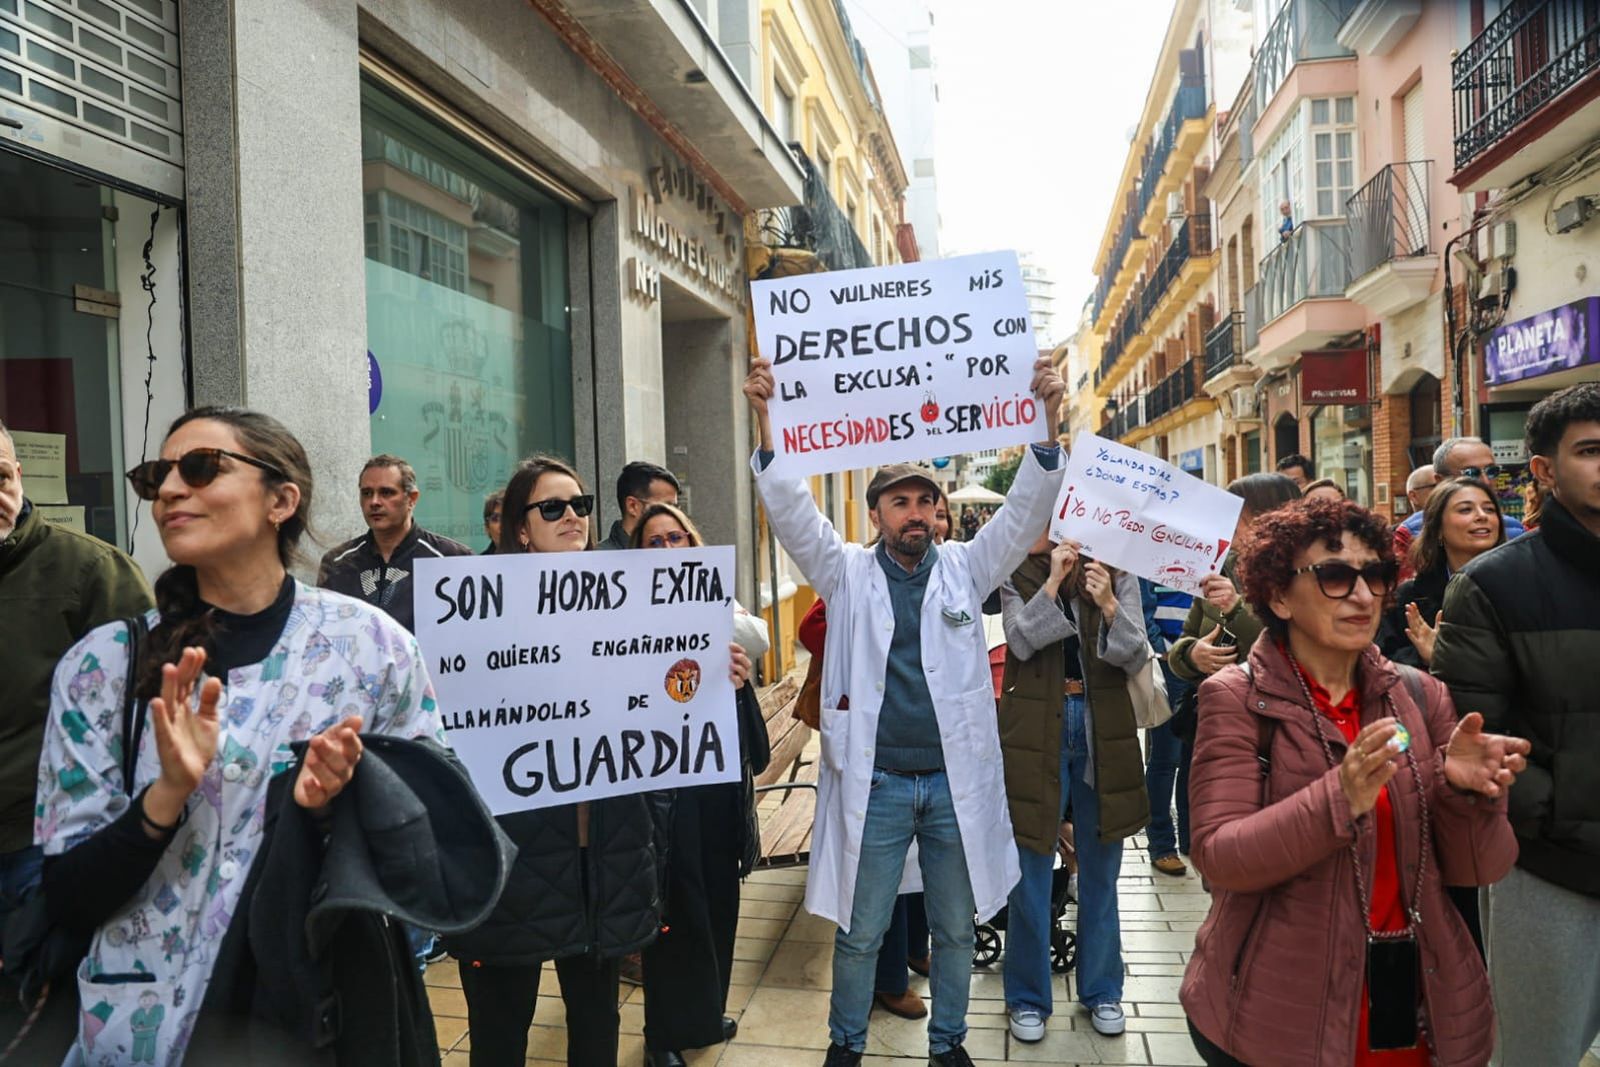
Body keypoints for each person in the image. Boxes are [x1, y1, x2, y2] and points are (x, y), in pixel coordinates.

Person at [35, 407, 461, 1064]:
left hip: (312, 1021)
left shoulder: (371, 649)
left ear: (280, 501)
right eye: (156, 476)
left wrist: (333, 809)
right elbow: (68, 895)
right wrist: (166, 796)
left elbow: (428, 851)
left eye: (200, 468)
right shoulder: (103, 666)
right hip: (144, 1031)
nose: (169, 489)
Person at [742, 354, 1066, 1067]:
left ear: (936, 511)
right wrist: (767, 419)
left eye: (925, 500)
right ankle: (845, 1045)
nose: (914, 512)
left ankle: (948, 1043)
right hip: (878, 785)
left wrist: (1047, 422)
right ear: (877, 514)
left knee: (954, 930)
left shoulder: (968, 567)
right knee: (861, 931)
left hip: (953, 786)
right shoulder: (845, 572)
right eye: (899, 502)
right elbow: (792, 513)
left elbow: (1023, 513)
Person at [1181, 497, 1528, 1067]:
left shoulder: (1420, 694)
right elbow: (1220, 857)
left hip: (1420, 1000)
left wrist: (1467, 795)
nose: (1364, 596)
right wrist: (1337, 800)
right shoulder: (1236, 699)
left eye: (1376, 575)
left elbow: (1477, 868)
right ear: (1278, 596)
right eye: (1336, 576)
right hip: (1283, 1006)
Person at [448, 455, 748, 1067]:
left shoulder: (631, 602)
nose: (573, 516)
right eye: (552, 507)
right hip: (512, 859)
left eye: (580, 505)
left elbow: (668, 702)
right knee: (501, 1030)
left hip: (604, 855)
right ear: (520, 527)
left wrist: (720, 680)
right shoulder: (475, 612)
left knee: (596, 1027)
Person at [1432, 382, 1600, 1067]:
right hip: (1551, 869)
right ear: (1543, 470)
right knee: (1536, 1054)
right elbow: (1470, 732)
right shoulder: (1493, 585)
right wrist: (1553, 813)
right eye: (1590, 450)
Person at [0, 417, 154, 935]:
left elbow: (144, 704)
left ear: (20, 475)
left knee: (44, 977)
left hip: (42, 838)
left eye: (0, 477)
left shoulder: (91, 571)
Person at [997, 530, 1149, 1042]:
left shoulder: (1116, 569)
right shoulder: (1017, 570)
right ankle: (1027, 998)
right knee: (1030, 870)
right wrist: (1053, 582)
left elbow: (1134, 653)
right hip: (1034, 728)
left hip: (1101, 725)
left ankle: (1103, 990)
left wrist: (1107, 602)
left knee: (1101, 869)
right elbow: (1020, 640)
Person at [631, 502, 767, 1067]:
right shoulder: (624, 612)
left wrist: (738, 678)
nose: (667, 549)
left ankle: (705, 1013)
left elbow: (754, 645)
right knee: (675, 910)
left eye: (676, 538)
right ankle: (663, 1034)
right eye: (654, 542)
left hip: (717, 780)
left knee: (718, 898)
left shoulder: (716, 603)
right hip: (663, 788)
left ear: (693, 543)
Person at [1167, 473, 1301, 687]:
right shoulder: (1220, 568)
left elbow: (1295, 649)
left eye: (1237, 512)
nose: (1227, 521)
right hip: (1216, 698)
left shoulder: (1304, 575)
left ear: (1270, 515)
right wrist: (1192, 655)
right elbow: (1185, 639)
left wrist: (1236, 609)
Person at [316, 453, 473, 633]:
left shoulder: (452, 559)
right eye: (367, 493)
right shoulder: (338, 563)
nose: (374, 502)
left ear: (412, 499)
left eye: (386, 492)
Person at [1378, 478, 1506, 670]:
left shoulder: (1520, 586)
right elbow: (1380, 664)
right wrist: (1426, 658)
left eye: (1489, 509)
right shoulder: (1408, 598)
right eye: (1465, 510)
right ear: (1437, 528)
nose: (1482, 516)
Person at [1393, 437, 1524, 568]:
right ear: (1440, 481)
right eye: (1471, 473)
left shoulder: (1517, 532)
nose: (1485, 481)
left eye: (1491, 471)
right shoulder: (1409, 535)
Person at [1141, 577, 1195, 876]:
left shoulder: (1210, 555)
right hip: (1167, 663)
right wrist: (1160, 648)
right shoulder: (1150, 558)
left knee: (1195, 757)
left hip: (1202, 660)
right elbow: (1141, 607)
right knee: (1166, 757)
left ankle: (1191, 838)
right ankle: (1162, 845)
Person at [601, 460, 680, 551]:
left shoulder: (678, 551)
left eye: (675, 508)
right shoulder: (600, 557)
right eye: (665, 507)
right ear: (632, 506)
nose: (674, 515)